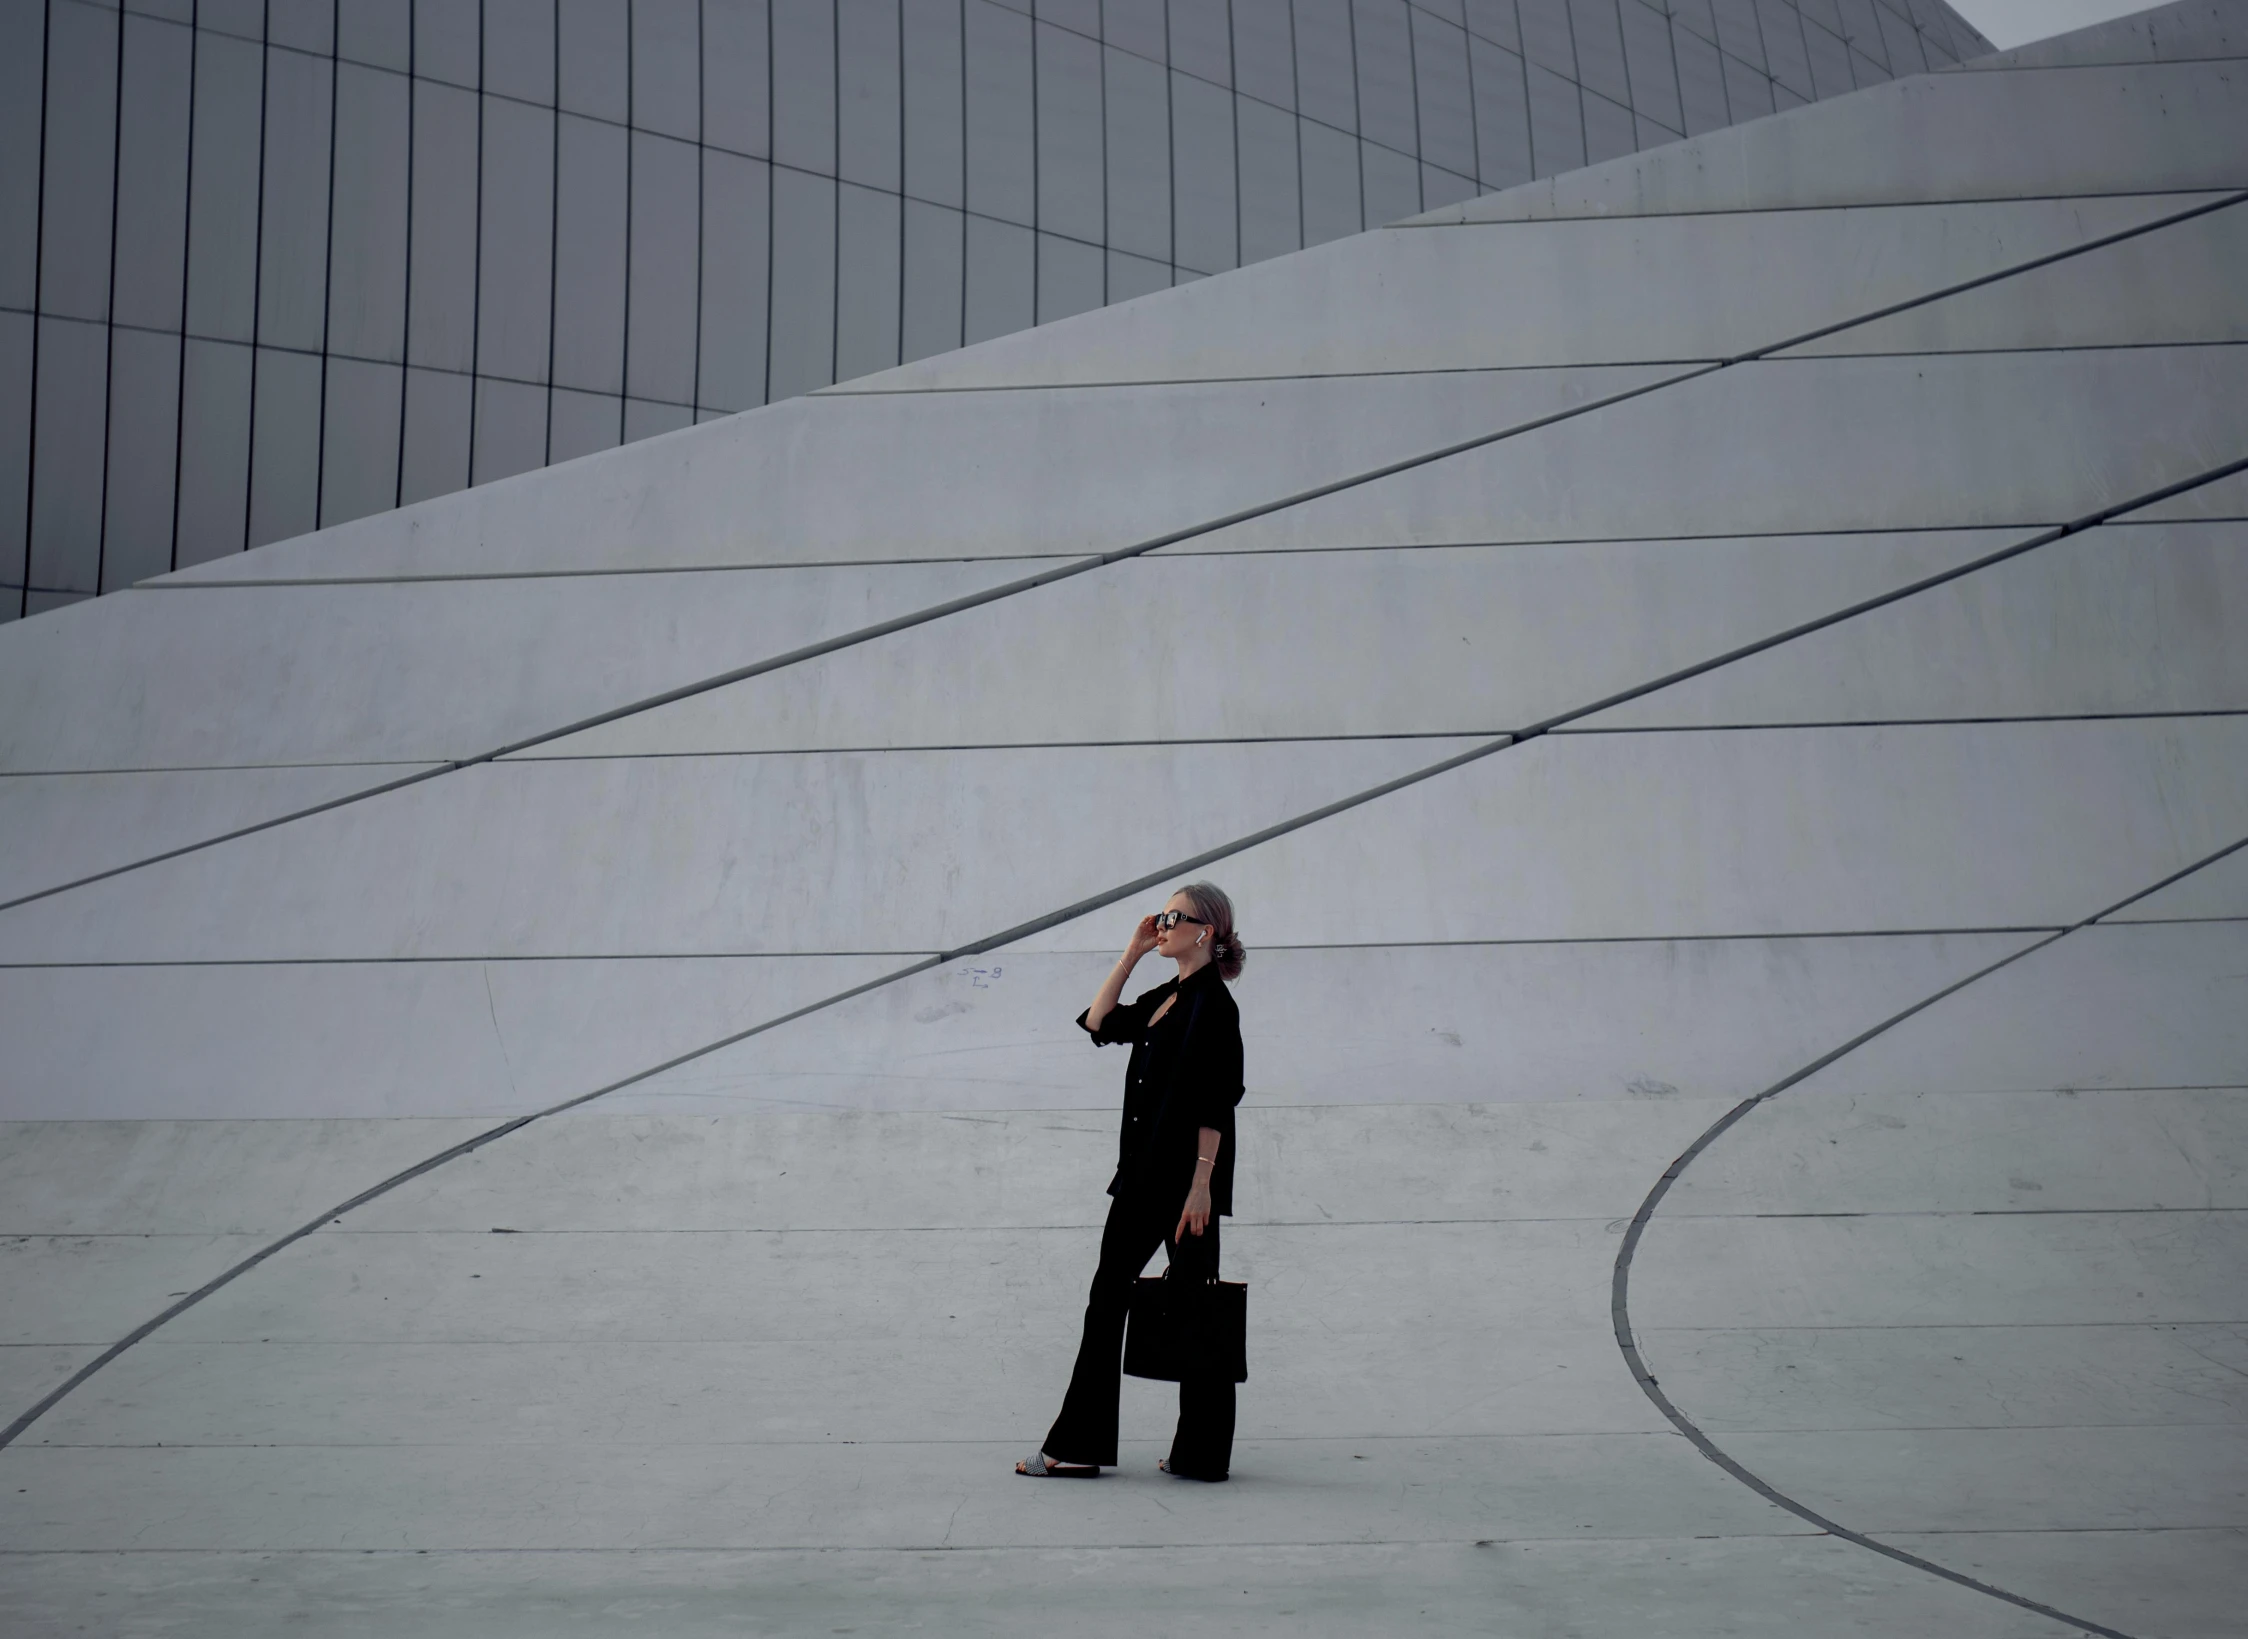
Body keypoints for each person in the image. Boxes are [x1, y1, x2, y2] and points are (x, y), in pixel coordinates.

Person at [1017, 881, 1248, 1482]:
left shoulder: (1214, 1005)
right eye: (1163, 913)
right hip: (1144, 1177)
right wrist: (1132, 952)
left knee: (1194, 1305)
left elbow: (1216, 1102)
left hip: (1183, 1185)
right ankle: (1109, 1447)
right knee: (1113, 1299)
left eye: (1176, 916)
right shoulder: (1167, 995)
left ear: (1207, 931)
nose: (1164, 922)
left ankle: (1183, 1453)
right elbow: (1099, 1022)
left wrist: (1201, 1187)